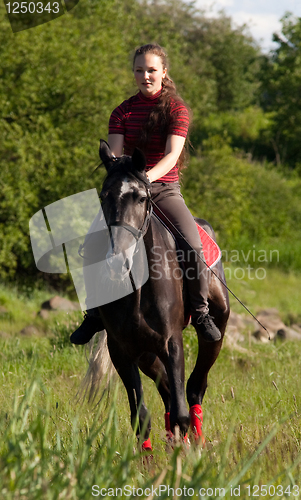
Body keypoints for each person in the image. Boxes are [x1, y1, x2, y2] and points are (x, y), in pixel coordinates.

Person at [71, 43, 221, 345]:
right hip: (128, 191)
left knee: (193, 246)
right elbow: (114, 154)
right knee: (92, 242)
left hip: (163, 188)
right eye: (139, 70)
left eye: (151, 70)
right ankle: (94, 314)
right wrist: (118, 172)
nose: (145, 75)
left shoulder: (176, 110)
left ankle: (201, 312)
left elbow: (171, 156)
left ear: (164, 72)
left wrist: (145, 179)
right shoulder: (122, 111)